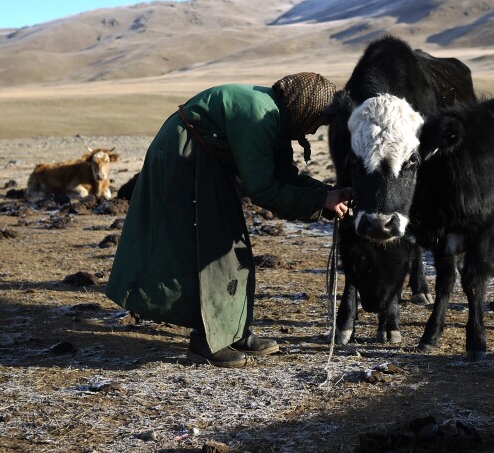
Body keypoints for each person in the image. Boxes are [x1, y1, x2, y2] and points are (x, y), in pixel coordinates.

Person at [105, 73, 351, 368]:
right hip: (184, 160)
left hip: (205, 160)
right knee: (205, 248)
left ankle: (233, 331)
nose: (312, 132)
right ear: (305, 109)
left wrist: (327, 194)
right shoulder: (260, 117)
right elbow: (263, 190)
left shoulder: (278, 117)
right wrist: (320, 202)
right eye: (315, 123)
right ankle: (206, 341)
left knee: (233, 247)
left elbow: (284, 176)